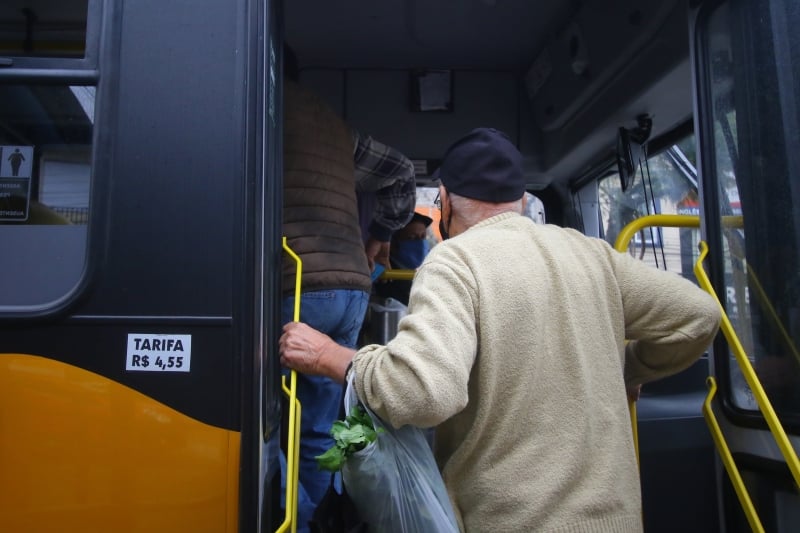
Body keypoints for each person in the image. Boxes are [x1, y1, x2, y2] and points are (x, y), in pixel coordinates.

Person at [279, 127, 721, 532]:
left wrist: (329, 356)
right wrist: (628, 368)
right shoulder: (593, 254)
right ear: (522, 200)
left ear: (446, 201)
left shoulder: (457, 260)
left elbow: (423, 390)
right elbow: (698, 316)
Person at [280, 45, 416, 530]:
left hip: (294, 284)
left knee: (266, 426)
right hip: (352, 289)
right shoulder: (338, 129)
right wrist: (379, 239)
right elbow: (402, 173)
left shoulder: (257, 107)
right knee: (316, 430)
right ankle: (316, 523)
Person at [374, 211, 433, 305]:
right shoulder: (384, 274)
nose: (421, 243)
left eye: (423, 237)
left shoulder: (429, 270)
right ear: (393, 244)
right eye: (412, 238)